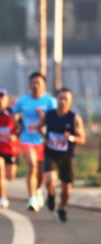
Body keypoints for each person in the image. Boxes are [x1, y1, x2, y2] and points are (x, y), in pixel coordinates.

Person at [13, 72, 57, 211]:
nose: (35, 85)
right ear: (29, 84)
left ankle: (38, 191)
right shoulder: (23, 101)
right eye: (33, 82)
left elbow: (56, 119)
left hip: (43, 140)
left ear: (44, 85)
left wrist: (43, 117)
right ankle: (32, 198)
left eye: (38, 83)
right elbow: (14, 113)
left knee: (41, 171)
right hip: (27, 138)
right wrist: (18, 124)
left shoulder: (50, 101)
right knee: (32, 166)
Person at [42, 88, 84, 223]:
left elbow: (82, 139)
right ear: (56, 100)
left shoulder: (74, 118)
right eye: (60, 98)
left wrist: (71, 138)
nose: (63, 101)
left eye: (66, 99)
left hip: (66, 155)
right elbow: (38, 127)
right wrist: (44, 137)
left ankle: (61, 208)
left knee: (66, 187)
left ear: (70, 102)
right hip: (51, 153)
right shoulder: (49, 115)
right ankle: (51, 194)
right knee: (49, 179)